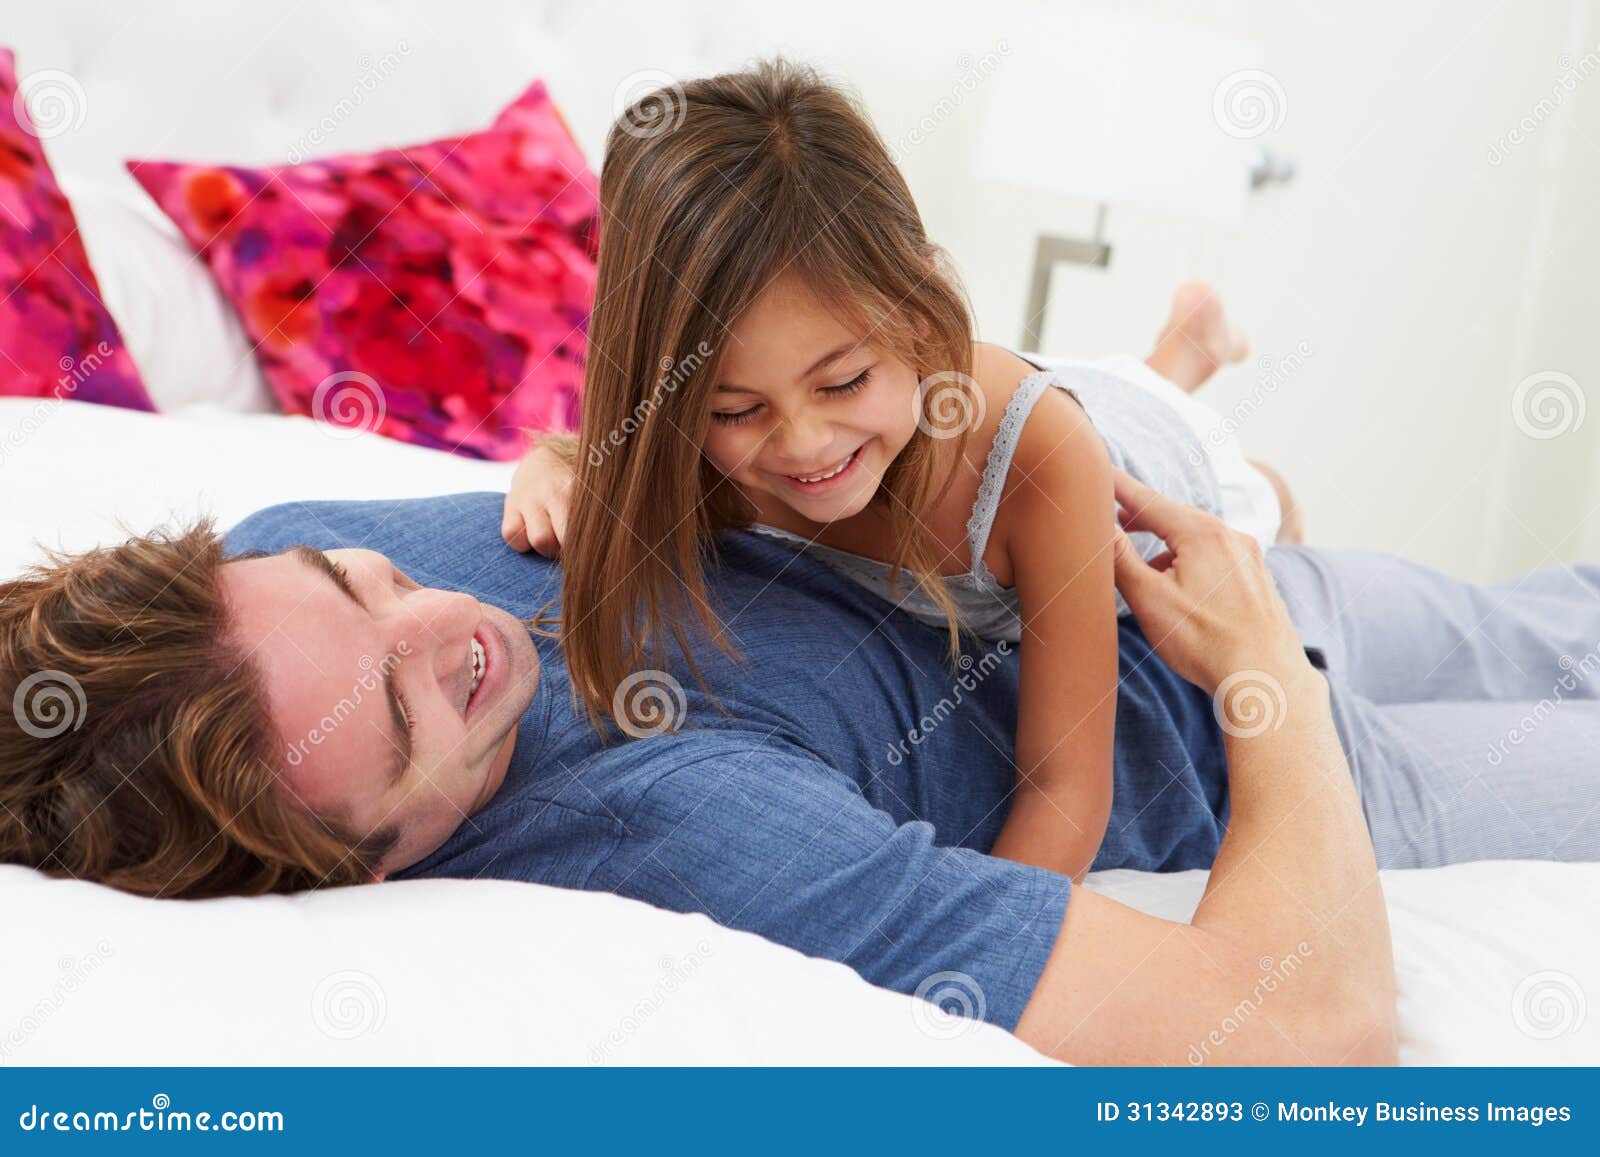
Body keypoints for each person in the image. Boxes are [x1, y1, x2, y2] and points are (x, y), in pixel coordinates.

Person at [0, 477, 1398, 1064]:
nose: (444, 621)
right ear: (363, 866)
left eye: (352, 582)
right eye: (407, 704)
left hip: (1198, 575)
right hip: (1279, 756)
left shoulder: (282, 538)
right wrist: (1261, 671)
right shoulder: (676, 834)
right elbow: (1309, 1030)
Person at [510, 60, 1297, 882]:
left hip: (1132, 458)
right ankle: (1177, 350)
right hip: (975, 394)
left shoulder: (1038, 459)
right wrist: (547, 469)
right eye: (736, 409)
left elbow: (1068, 788)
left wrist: (978, 951)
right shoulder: (692, 443)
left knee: (1247, 495)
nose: (806, 444)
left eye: (843, 382)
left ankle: (1195, 372)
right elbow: (586, 455)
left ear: (919, 311)